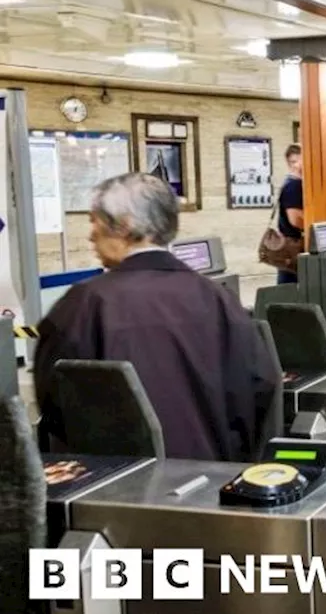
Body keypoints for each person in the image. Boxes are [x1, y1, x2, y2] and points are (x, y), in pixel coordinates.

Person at [34, 173, 276, 461]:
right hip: (213, 485)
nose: (90, 235)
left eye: (94, 221)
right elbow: (260, 386)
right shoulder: (217, 297)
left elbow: (54, 401)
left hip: (121, 487)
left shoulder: (86, 303)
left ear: (123, 226)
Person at [276, 144, 304, 284]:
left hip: (290, 246)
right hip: (293, 246)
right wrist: (314, 225)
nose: (298, 165)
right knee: (289, 288)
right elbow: (295, 219)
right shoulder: (293, 185)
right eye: (294, 162)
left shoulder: (293, 183)